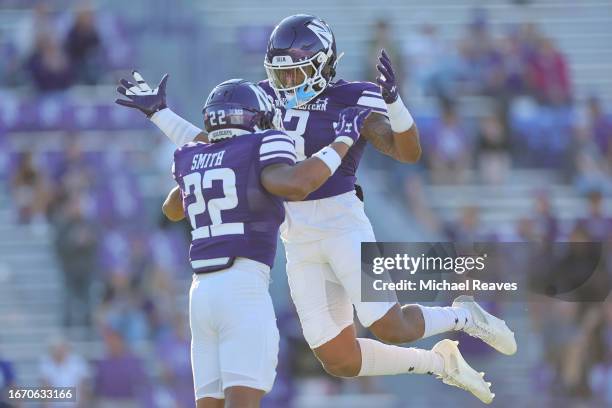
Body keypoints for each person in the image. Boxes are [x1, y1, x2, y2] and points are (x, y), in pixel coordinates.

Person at [116, 15, 517, 404]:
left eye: (297, 72)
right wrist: (162, 116)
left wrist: (395, 105)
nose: (287, 82)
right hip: (297, 237)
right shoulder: (264, 97)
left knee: (390, 326)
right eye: (281, 73)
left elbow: (407, 151)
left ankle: (465, 316)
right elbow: (221, 145)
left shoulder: (352, 97)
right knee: (339, 359)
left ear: (324, 64)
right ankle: (438, 363)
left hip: (343, 224)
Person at [117, 77, 368, 407]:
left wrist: (161, 115)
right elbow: (299, 182)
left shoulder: (191, 157)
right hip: (242, 289)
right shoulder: (261, 147)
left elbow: (172, 208)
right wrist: (344, 138)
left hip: (200, 295)